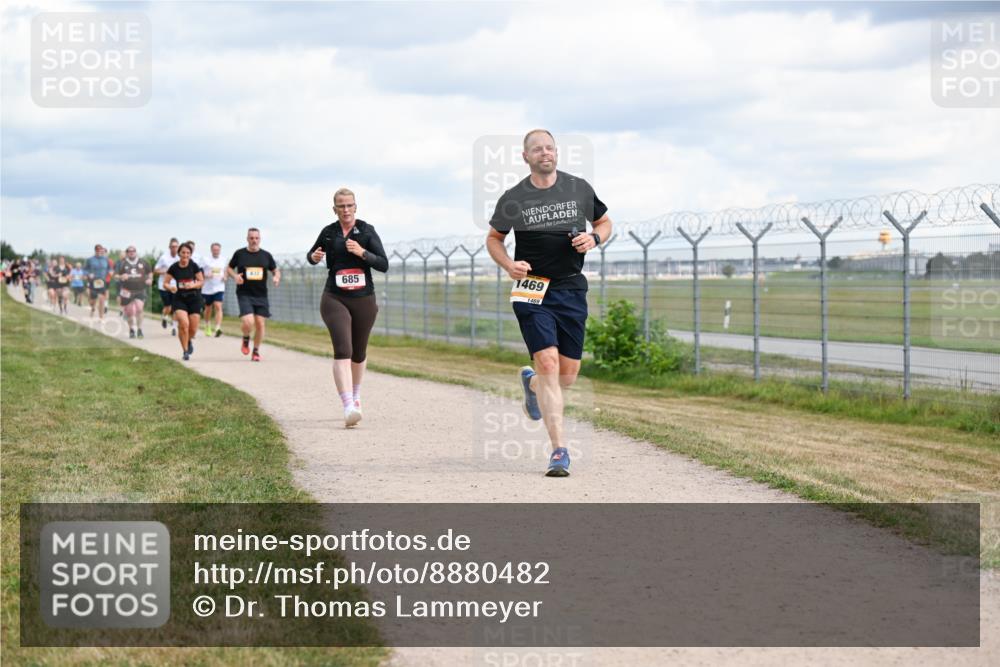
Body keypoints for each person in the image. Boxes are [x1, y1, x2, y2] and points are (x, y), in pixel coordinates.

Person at [485, 129, 612, 477]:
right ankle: (559, 451)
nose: (545, 153)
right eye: (537, 149)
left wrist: (594, 237)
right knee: (548, 362)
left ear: (556, 153)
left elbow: (603, 221)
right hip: (532, 288)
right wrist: (509, 264)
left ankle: (532, 385)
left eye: (550, 148)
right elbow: (494, 238)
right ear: (525, 157)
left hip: (571, 288)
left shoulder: (578, 188)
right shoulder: (514, 198)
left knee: (567, 376)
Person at [306, 188, 389, 427]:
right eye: (341, 206)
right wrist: (314, 257)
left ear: (355, 207)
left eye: (349, 205)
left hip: (364, 299)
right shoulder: (329, 232)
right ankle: (347, 406)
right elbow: (312, 254)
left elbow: (383, 264)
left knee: (359, 352)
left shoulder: (367, 231)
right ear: (334, 209)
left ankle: (356, 395)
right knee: (343, 349)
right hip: (335, 298)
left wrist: (362, 253)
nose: (345, 210)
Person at [227, 228, 280, 362]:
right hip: (244, 293)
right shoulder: (239, 254)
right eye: (251, 238)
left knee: (260, 324)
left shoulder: (266, 255)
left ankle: (255, 351)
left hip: (261, 295)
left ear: (260, 239)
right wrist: (234, 276)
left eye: (256, 238)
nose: (254, 240)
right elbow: (228, 268)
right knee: (248, 321)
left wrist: (276, 277)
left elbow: (275, 270)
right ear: (247, 239)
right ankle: (246, 338)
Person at [163, 243, 204, 361]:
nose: (185, 255)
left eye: (188, 253)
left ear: (190, 254)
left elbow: (201, 281)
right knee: (184, 324)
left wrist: (193, 284)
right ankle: (185, 351)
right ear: (179, 254)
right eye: (183, 252)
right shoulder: (174, 267)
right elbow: (165, 283)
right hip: (179, 298)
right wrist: (170, 288)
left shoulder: (194, 266)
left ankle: (188, 340)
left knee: (193, 328)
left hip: (194, 298)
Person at [115, 245, 153, 338]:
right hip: (126, 290)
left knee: (140, 309)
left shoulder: (143, 262)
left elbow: (150, 272)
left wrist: (150, 279)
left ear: (136, 252)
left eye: (133, 251)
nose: (132, 252)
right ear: (127, 253)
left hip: (140, 289)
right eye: (129, 251)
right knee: (129, 311)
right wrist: (121, 276)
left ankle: (139, 330)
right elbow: (115, 275)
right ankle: (131, 329)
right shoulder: (122, 263)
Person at [200, 242, 227, 337]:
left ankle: (218, 328)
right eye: (214, 250)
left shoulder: (223, 259)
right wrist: (206, 275)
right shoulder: (205, 260)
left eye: (218, 250)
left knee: (218, 306)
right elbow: (199, 272)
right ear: (211, 250)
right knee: (208, 308)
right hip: (207, 288)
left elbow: (225, 270)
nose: (216, 251)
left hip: (219, 287)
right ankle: (207, 325)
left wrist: (225, 277)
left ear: (220, 250)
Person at [154, 238, 180, 335]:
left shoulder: (180, 258)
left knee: (176, 307)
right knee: (168, 306)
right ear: (169, 247)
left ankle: (174, 327)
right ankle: (164, 317)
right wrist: (165, 272)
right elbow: (155, 270)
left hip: (175, 285)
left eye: (176, 246)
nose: (174, 248)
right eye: (172, 247)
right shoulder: (164, 257)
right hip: (164, 285)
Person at [84, 245, 113, 319]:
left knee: (101, 299)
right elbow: (85, 270)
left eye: (100, 250)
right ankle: (93, 307)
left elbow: (110, 268)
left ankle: (101, 317)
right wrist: (88, 274)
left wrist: (110, 272)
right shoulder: (90, 259)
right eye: (97, 250)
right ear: (95, 251)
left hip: (102, 281)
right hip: (93, 281)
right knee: (92, 300)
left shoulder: (106, 259)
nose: (99, 252)